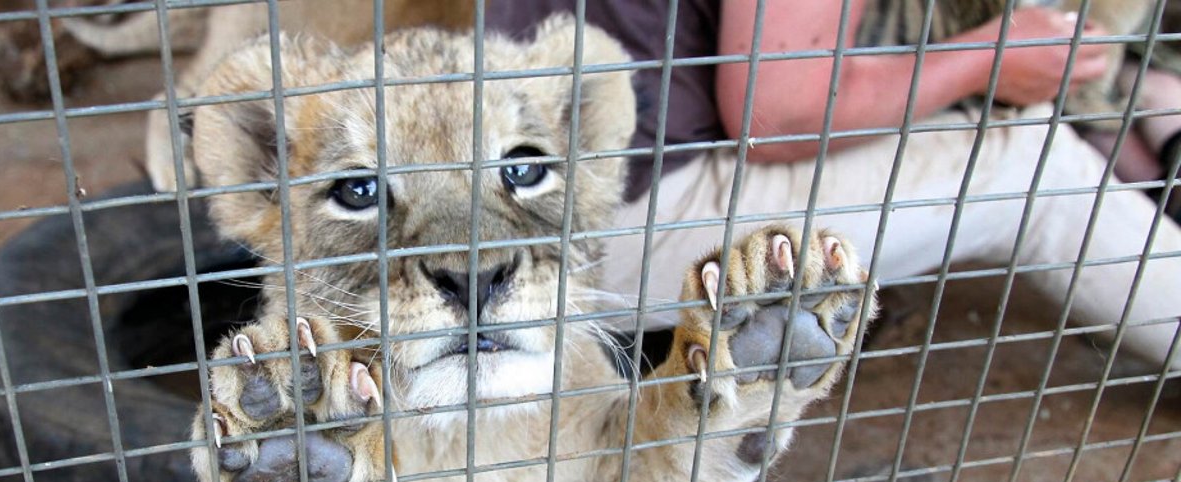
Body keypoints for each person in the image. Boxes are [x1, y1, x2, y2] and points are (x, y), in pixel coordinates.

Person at [488, 0, 1181, 372]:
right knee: (1034, 164)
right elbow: (775, 109)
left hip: (504, 193)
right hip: (591, 241)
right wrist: (985, 58)